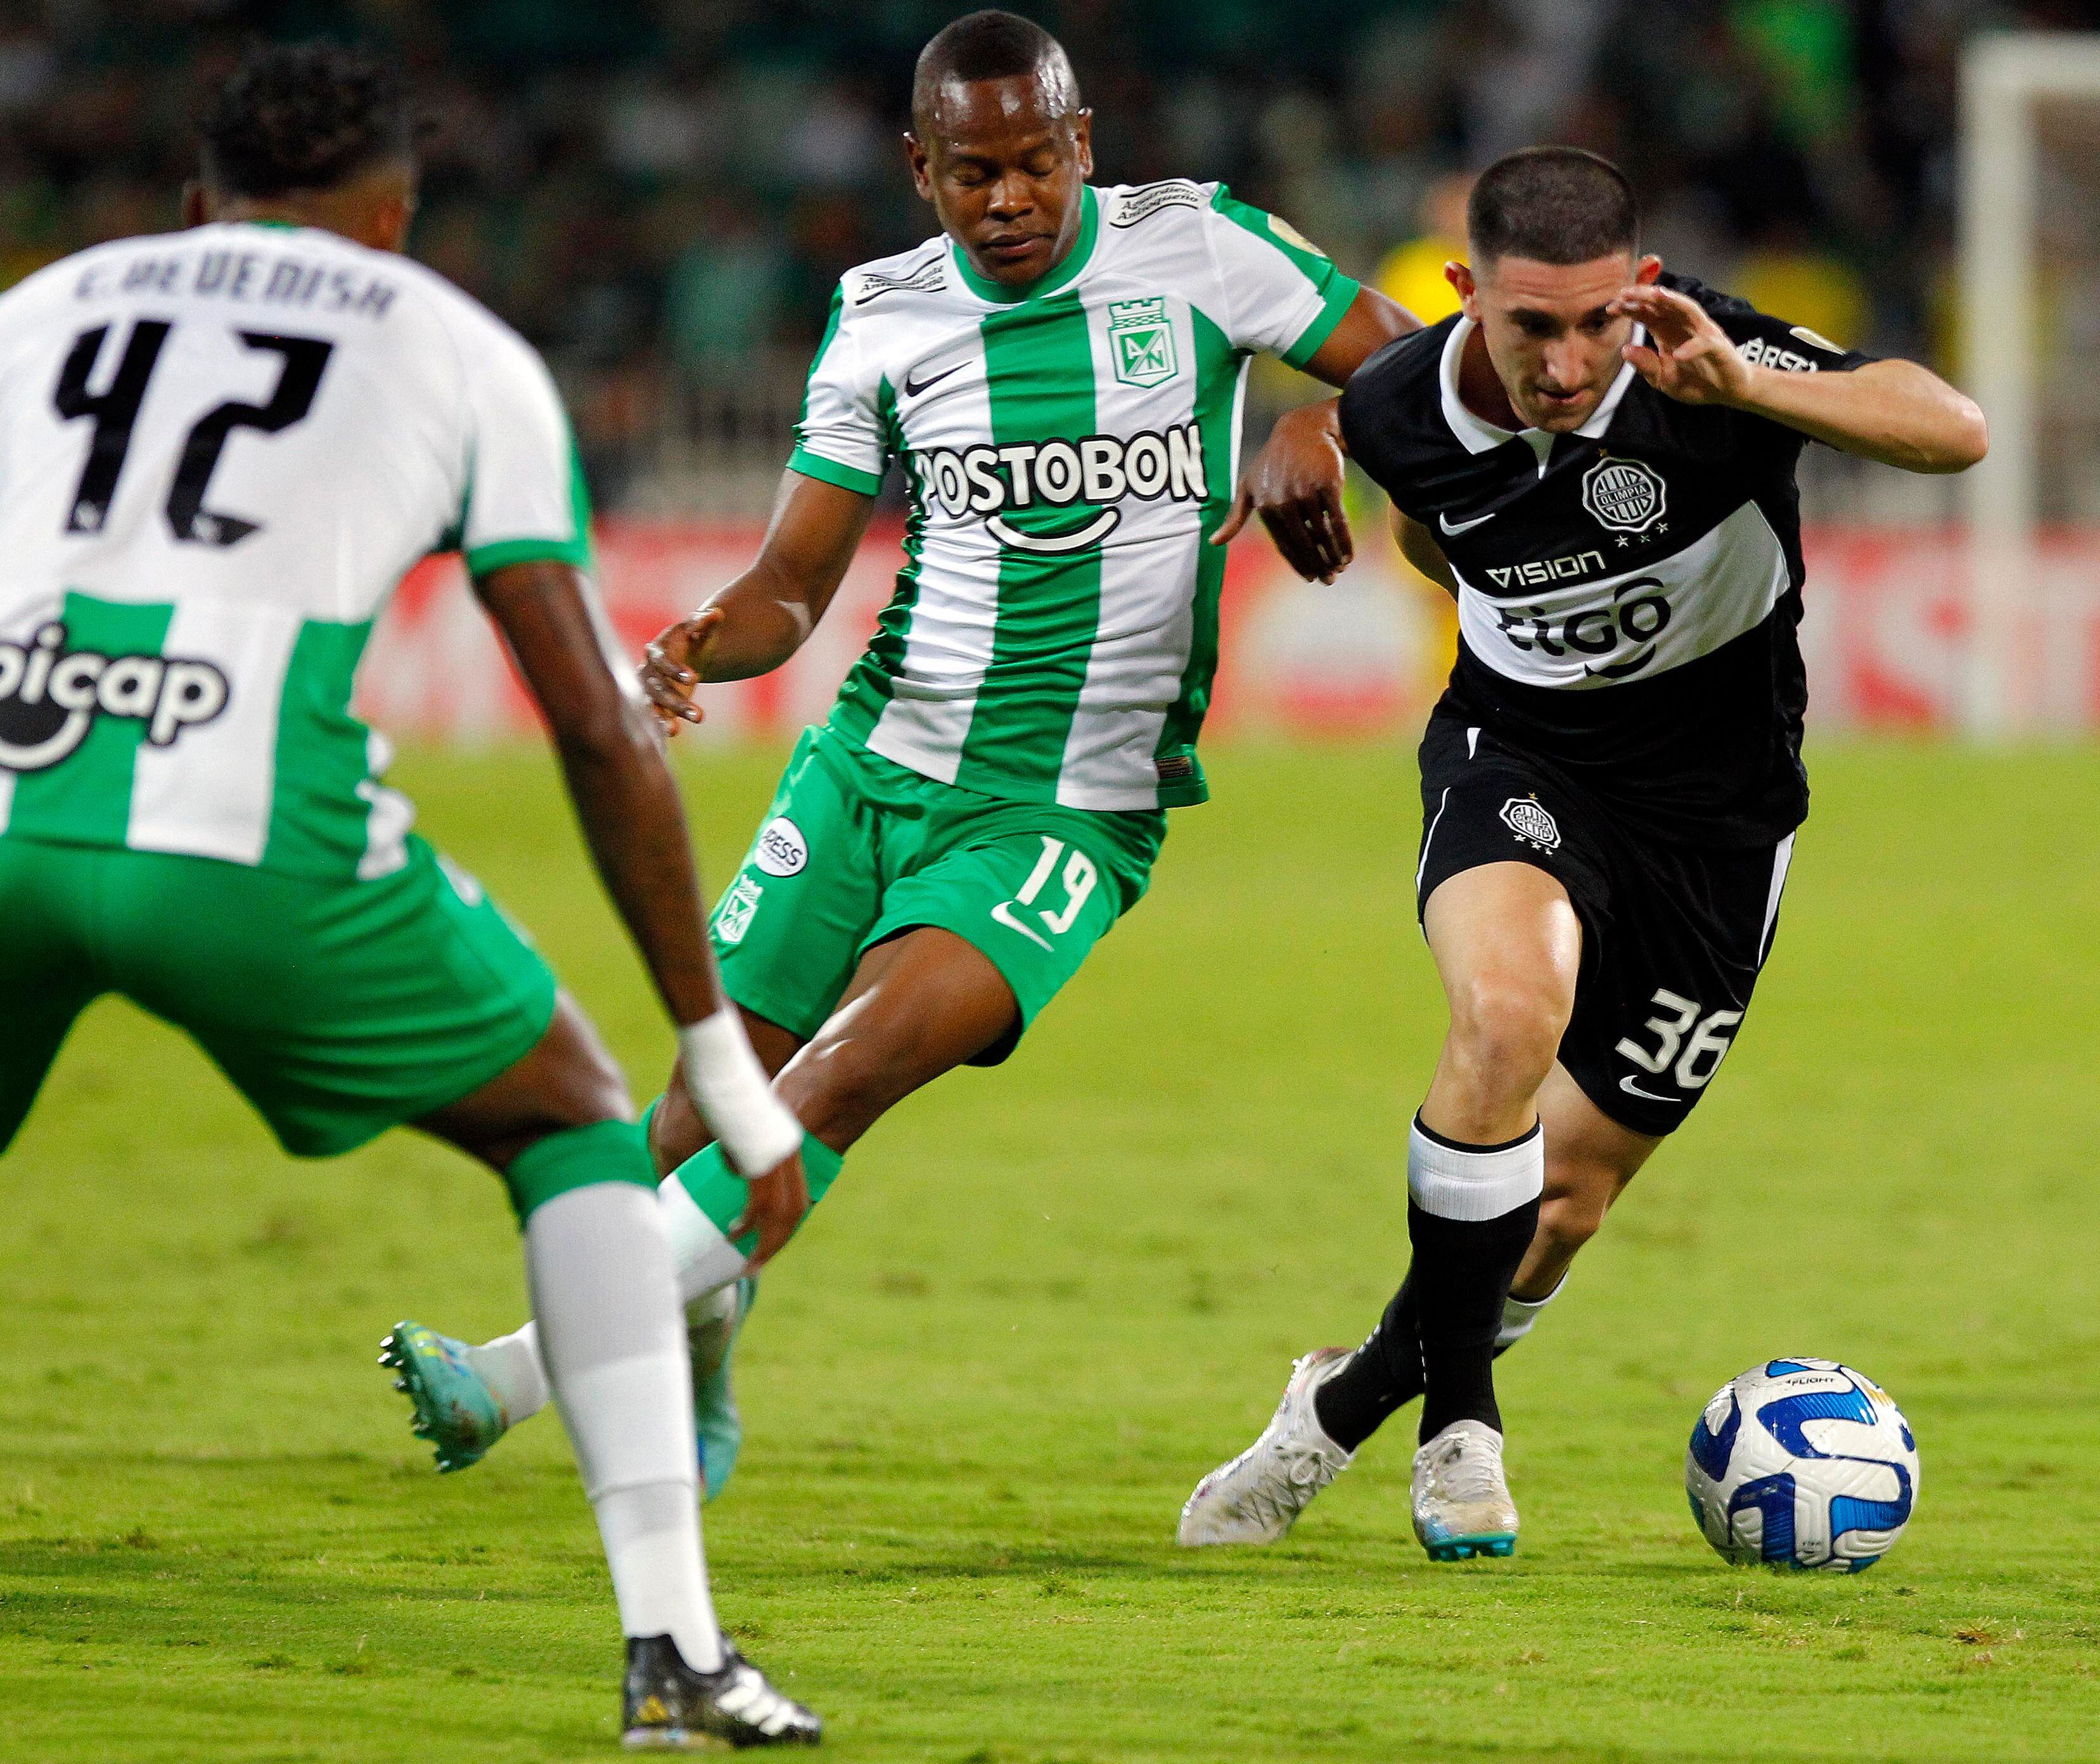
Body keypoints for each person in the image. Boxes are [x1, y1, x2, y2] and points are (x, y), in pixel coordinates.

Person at [385, 10, 1416, 1499]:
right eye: (971, 173)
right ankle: (709, 1339)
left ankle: (514, 1372)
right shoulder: (880, 314)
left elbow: (1423, 365)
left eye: (1034, 166)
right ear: (918, 171)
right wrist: (699, 642)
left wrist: (1317, 430)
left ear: (1080, 150)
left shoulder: (1198, 249)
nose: (1007, 202)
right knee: (694, 1121)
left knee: (833, 1083)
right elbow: (798, 580)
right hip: (868, 773)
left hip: (1064, 812)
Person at [0, 44, 822, 1746]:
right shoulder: (455, 348)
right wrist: (713, 1046)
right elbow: (597, 727)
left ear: (189, 203)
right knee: (579, 1131)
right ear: (396, 213)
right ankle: (671, 1653)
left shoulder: (47, 303)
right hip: (242, 822)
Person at [1177, 146, 1985, 1560]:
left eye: (1596, 321)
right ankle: (1460, 1430)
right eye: (1528, 325)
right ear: (1462, 295)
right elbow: (1430, 537)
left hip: (1720, 827)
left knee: (1559, 1209)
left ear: (1644, 294)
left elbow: (1951, 428)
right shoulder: (1401, 408)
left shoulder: (1709, 366)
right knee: (1504, 1010)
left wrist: (1749, 387)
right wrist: (1312, 435)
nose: (1565, 361)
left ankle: (1339, 1404)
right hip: (1523, 762)